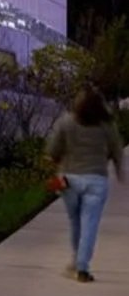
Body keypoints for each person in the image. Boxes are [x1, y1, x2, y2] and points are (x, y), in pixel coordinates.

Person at [47, 83, 125, 282]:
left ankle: (76, 259)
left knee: (75, 221)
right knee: (90, 224)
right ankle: (82, 267)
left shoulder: (66, 122)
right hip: (96, 179)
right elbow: (117, 149)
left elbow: (53, 150)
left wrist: (55, 167)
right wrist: (119, 171)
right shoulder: (107, 124)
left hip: (69, 180)